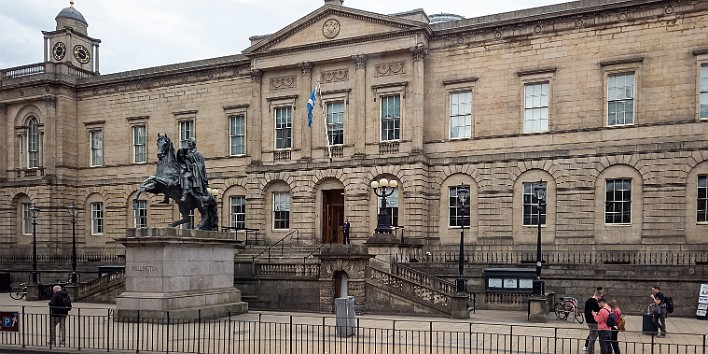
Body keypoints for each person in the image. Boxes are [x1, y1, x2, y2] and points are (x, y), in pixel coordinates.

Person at [177, 137, 209, 204]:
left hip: (194, 172)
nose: (188, 144)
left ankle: (184, 195)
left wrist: (193, 165)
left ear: (193, 144)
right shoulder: (186, 153)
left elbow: (201, 166)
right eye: (187, 142)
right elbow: (179, 158)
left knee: (186, 176)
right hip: (185, 170)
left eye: (189, 142)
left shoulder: (198, 154)